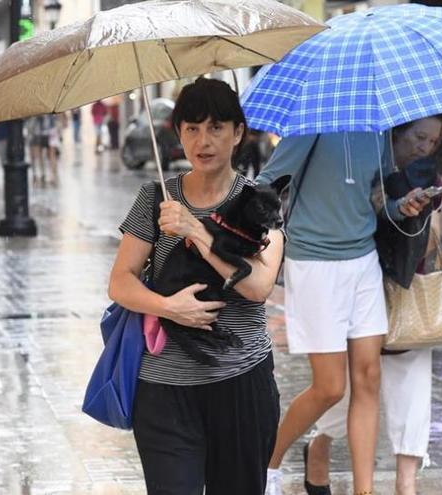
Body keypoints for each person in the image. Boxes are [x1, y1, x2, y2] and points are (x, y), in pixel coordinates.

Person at [108, 77, 284, 495]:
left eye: (216, 128)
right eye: (192, 128)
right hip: (165, 391)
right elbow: (119, 283)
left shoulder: (259, 201)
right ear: (178, 133)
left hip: (240, 384)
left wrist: (198, 233)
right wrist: (169, 307)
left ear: (238, 133)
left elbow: (259, 287)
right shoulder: (156, 199)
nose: (203, 141)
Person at [257, 123, 432, 495]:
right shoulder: (311, 126)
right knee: (331, 387)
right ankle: (266, 461)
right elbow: (267, 181)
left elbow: (377, 196)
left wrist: (402, 206)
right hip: (315, 265)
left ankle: (363, 490)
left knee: (368, 378)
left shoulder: (377, 129)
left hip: (363, 261)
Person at [302, 116, 442, 495]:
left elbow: (432, 241)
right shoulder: (363, 156)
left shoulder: (425, 176)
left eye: (432, 141)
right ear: (396, 133)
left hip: (406, 292)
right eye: (419, 137)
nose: (424, 147)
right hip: (358, 281)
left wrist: (419, 211)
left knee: (413, 381)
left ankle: (406, 483)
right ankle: (319, 448)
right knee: (346, 389)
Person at [26, 114, 58, 184]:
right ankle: (45, 174)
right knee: (42, 155)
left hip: (48, 130)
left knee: (51, 155)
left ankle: (51, 175)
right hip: (41, 131)